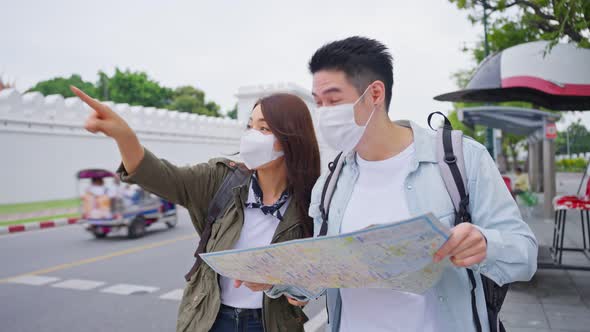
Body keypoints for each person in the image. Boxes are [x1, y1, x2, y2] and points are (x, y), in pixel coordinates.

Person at [271, 36, 538, 332]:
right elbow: (326, 277)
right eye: (318, 103)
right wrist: (281, 278)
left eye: (334, 101)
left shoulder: (461, 160)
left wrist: (486, 244)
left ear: (374, 94)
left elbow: (524, 254)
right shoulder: (331, 183)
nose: (323, 114)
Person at [71, 86, 321, 332]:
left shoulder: (312, 201)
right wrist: (123, 135)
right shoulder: (220, 179)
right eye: (250, 125)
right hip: (212, 319)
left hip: (272, 324)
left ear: (291, 139)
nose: (252, 135)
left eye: (264, 128)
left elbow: (313, 277)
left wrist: (288, 286)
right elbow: (162, 176)